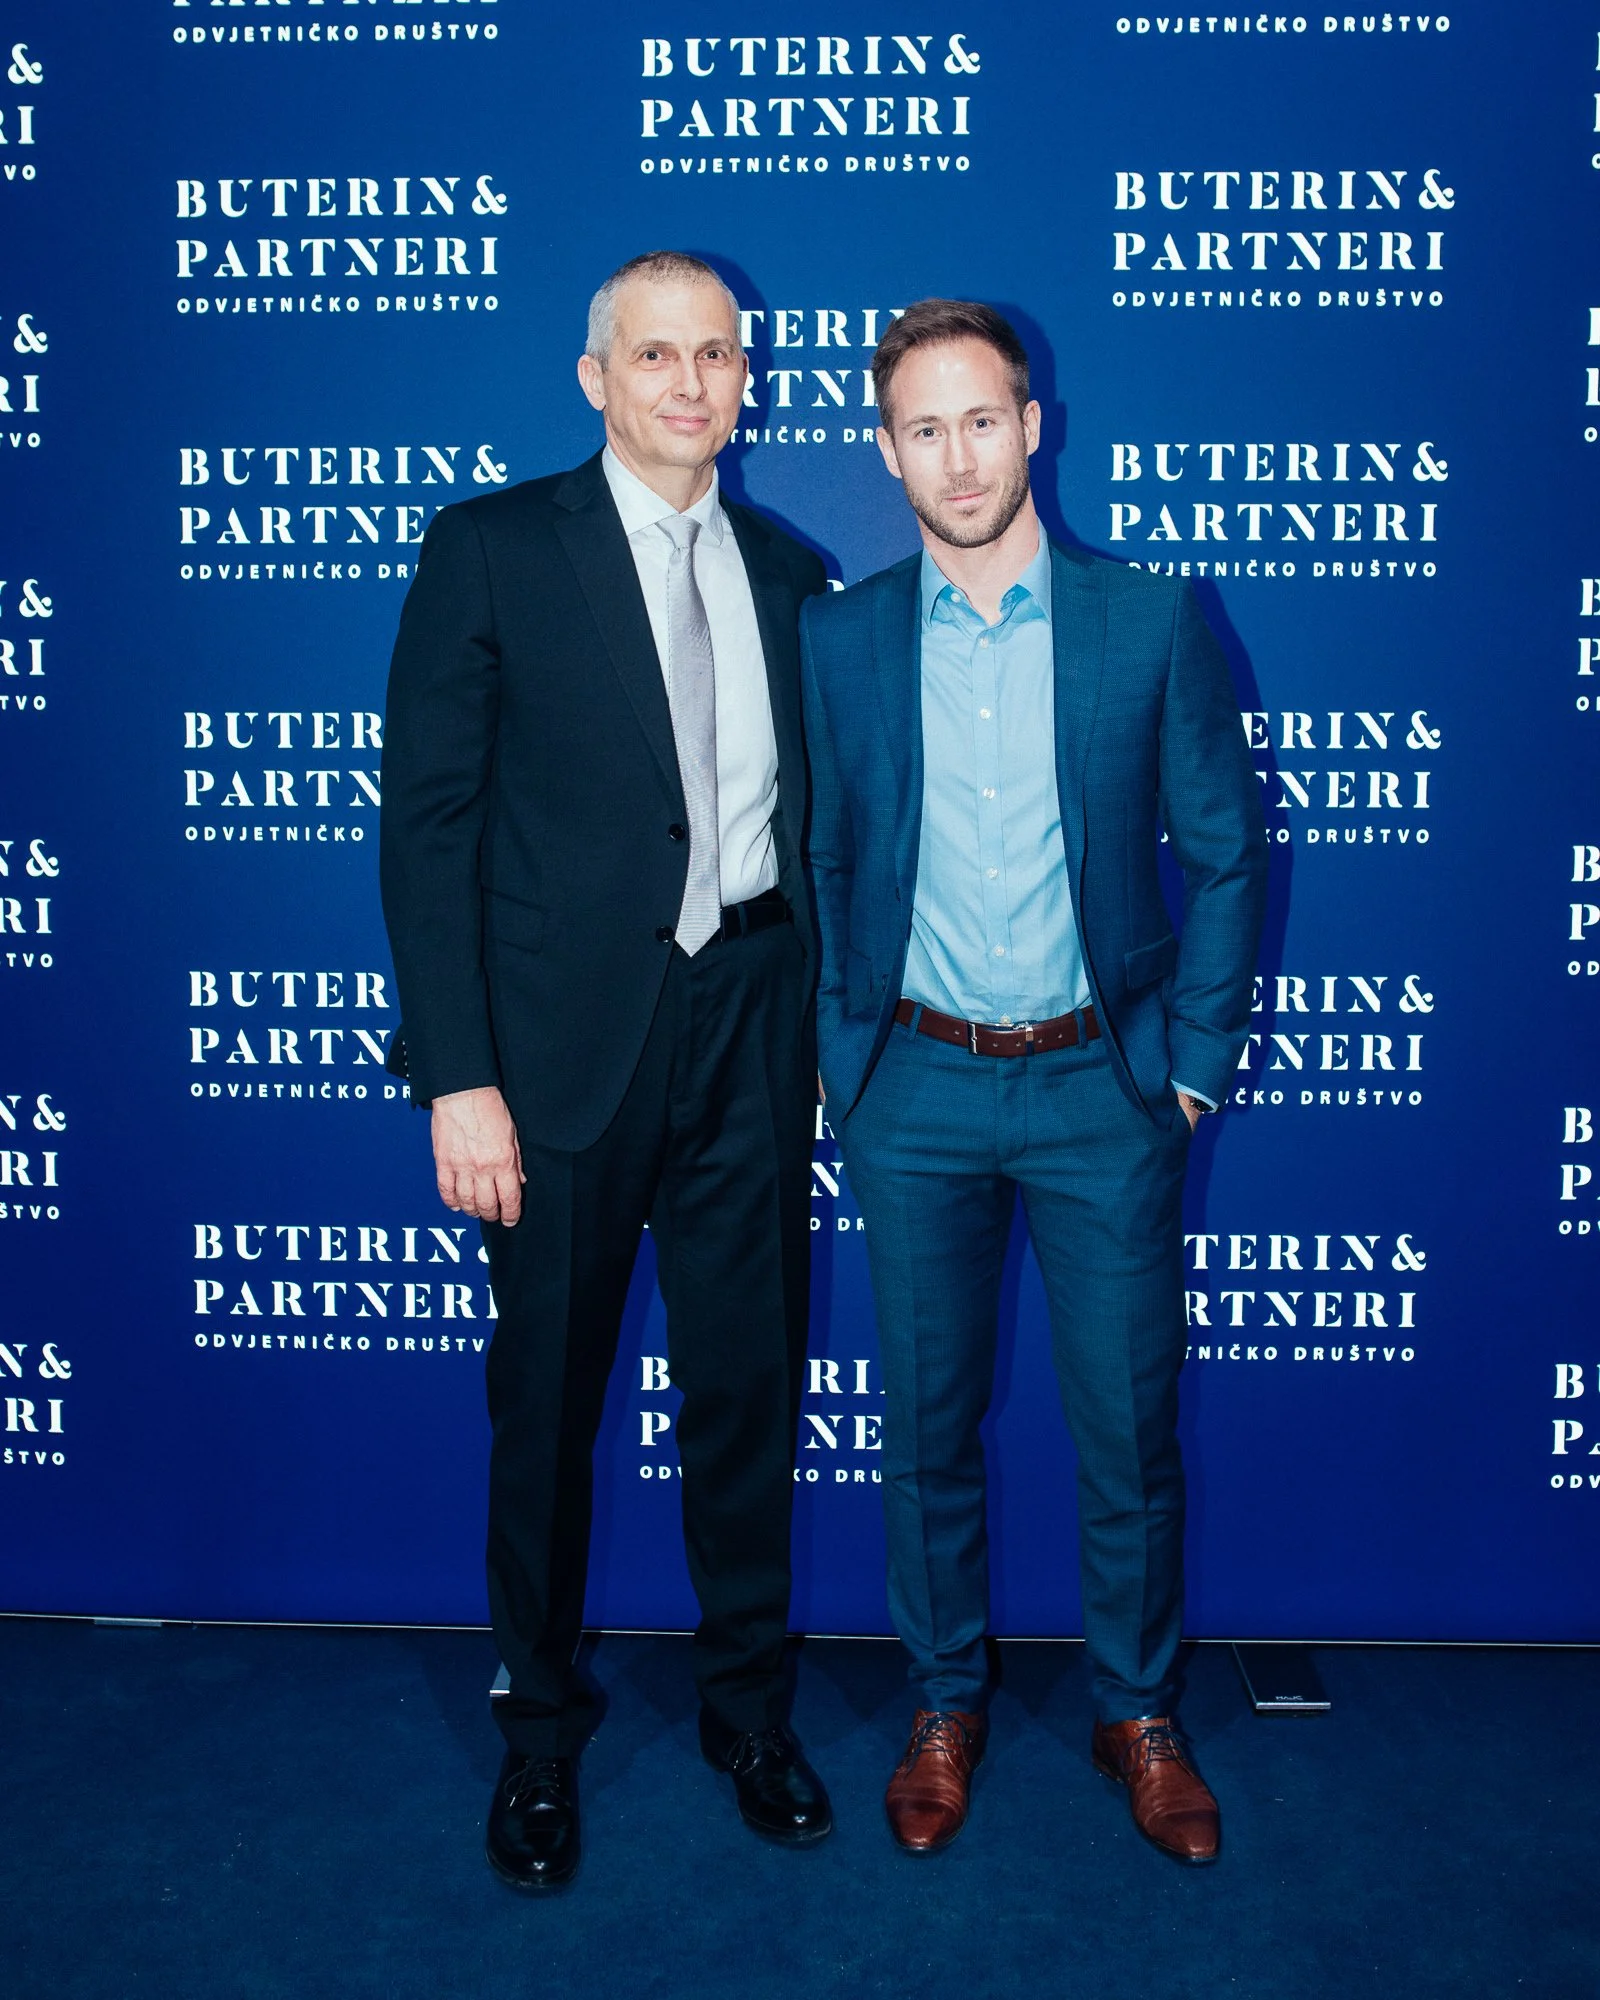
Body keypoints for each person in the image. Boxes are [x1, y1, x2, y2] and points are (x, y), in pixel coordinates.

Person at [380, 251, 833, 1892]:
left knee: (746, 1396)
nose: (690, 383)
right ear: (595, 378)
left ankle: (749, 1711)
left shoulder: (794, 574)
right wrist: (459, 1075)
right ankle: (541, 1738)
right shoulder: (494, 548)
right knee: (547, 1412)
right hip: (556, 1059)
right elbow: (425, 831)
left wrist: (820, 1045)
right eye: (656, 354)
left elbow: (813, 841)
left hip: (748, 1037)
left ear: (747, 377)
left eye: (717, 353)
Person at [800, 299, 1267, 1864]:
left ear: (1034, 421)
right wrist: (839, 1068)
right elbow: (818, 864)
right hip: (914, 1093)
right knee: (922, 1429)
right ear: (887, 451)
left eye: (983, 418)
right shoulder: (843, 635)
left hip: (1100, 1096)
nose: (959, 456)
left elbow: (1223, 848)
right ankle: (946, 1697)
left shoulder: (1145, 618)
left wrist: (1190, 1068)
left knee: (1127, 1431)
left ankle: (1137, 1709)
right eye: (923, 429)